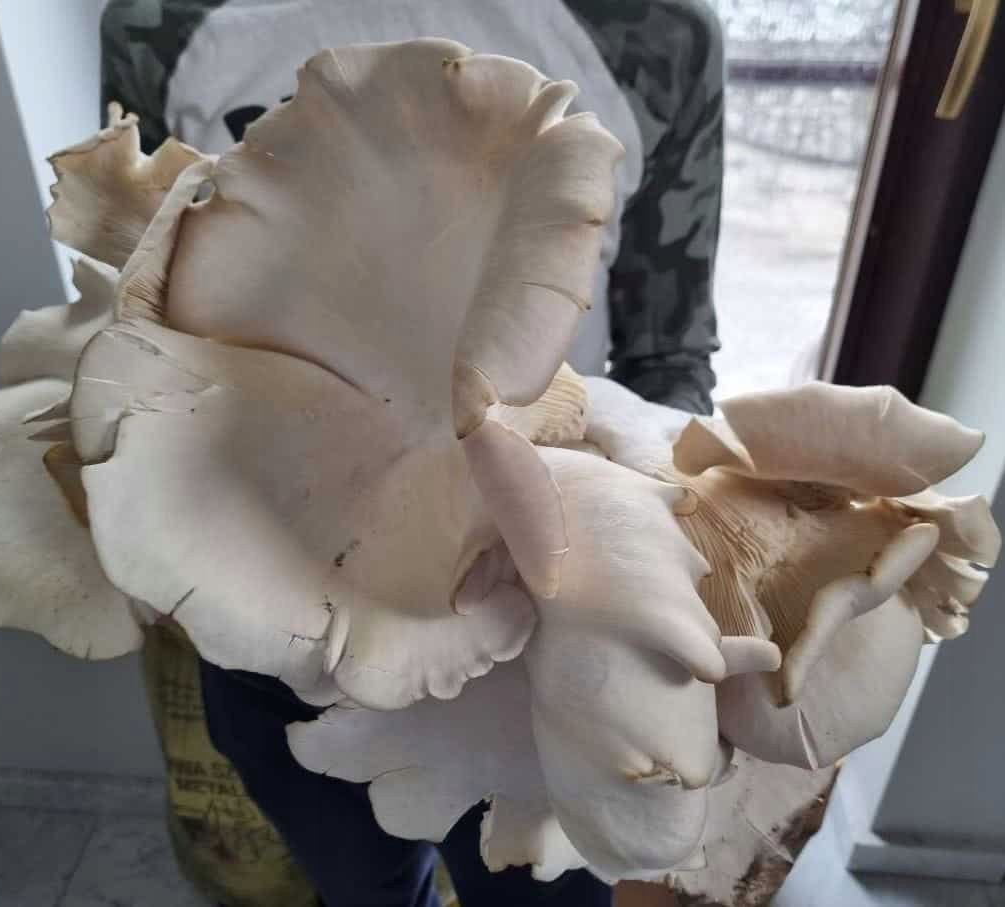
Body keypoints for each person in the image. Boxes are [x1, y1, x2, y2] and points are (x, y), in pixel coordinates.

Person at [100, 1, 725, 904]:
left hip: (540, 617)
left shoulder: (651, 30)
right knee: (360, 882)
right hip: (259, 572)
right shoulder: (164, 21)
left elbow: (668, 354)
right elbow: (135, 278)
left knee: (534, 887)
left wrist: (638, 544)